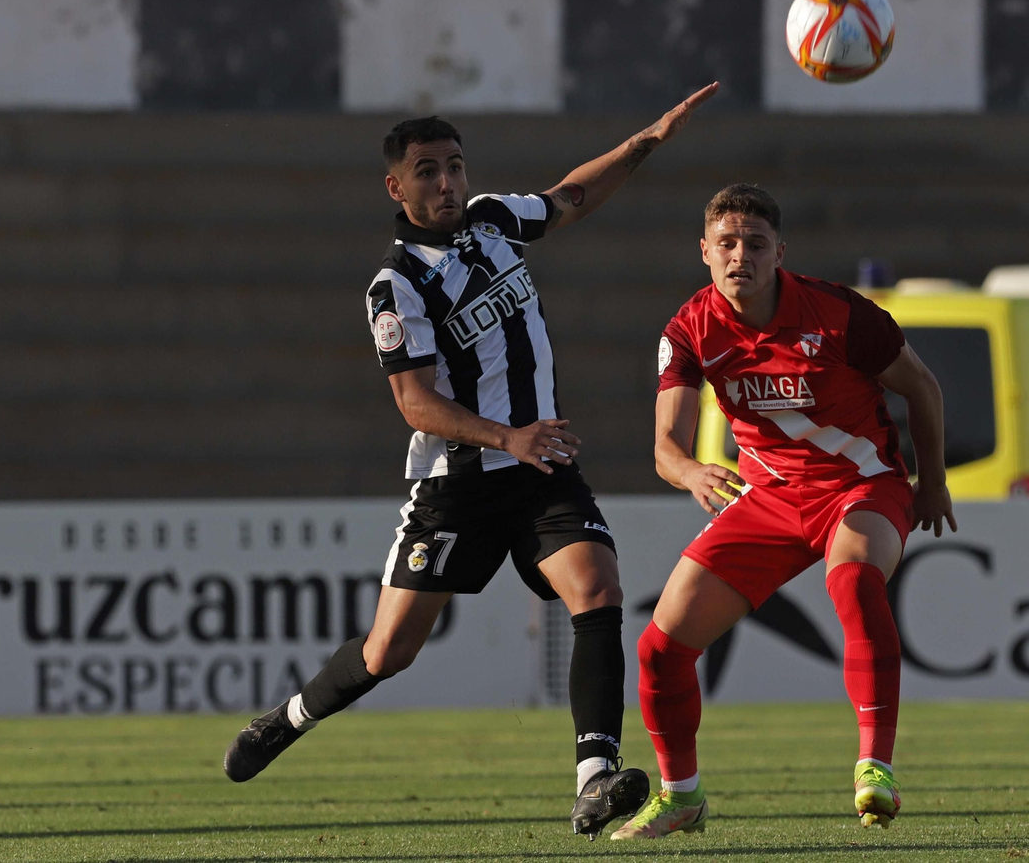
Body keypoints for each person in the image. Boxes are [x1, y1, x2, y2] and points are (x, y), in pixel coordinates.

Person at [222, 83, 718, 840]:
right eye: (427, 170)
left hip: (541, 471)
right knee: (389, 651)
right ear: (397, 186)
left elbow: (569, 199)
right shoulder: (396, 285)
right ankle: (288, 719)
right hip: (457, 486)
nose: (447, 181)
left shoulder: (492, 220)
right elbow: (415, 403)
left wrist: (646, 139)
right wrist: (504, 435)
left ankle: (594, 779)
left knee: (598, 589)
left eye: (454, 164)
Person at [612, 184, 957, 839]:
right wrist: (689, 470)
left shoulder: (839, 315)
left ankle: (874, 767)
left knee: (854, 582)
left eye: (755, 243)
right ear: (705, 252)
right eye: (727, 244)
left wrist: (932, 483)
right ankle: (682, 796)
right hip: (767, 500)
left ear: (779, 252)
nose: (740, 255)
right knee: (661, 649)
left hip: (860, 485)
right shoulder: (689, 329)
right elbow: (665, 446)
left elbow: (922, 387)